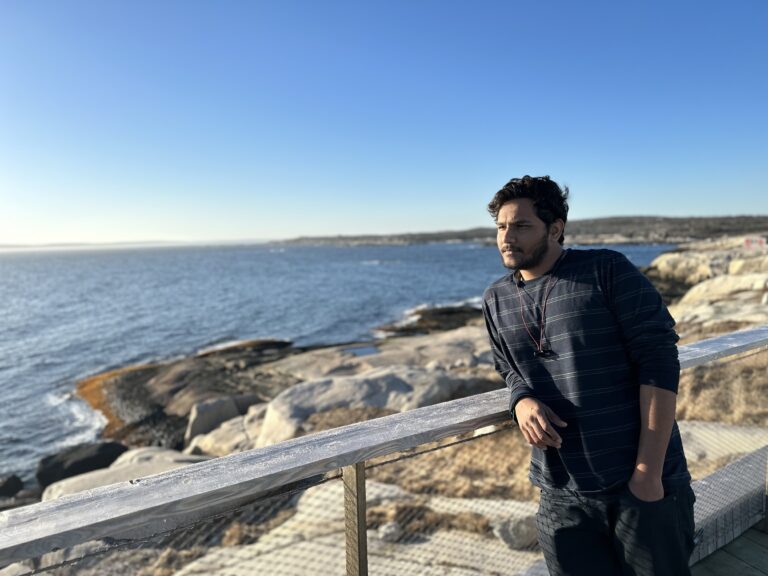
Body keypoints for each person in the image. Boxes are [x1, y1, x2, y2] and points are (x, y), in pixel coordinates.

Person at [481, 176, 695, 576]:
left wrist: (647, 474)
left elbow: (659, 360)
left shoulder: (605, 270)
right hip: (560, 490)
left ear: (555, 229)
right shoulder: (496, 298)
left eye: (522, 226)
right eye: (501, 226)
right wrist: (521, 399)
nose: (507, 237)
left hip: (637, 481)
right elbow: (507, 366)